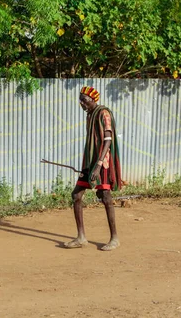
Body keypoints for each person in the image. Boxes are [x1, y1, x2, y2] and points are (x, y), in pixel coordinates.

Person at [64, 86, 123, 251]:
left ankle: (114, 238)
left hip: (101, 162)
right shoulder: (90, 115)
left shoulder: (104, 113)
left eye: (84, 100)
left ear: (93, 99)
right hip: (90, 162)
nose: (81, 103)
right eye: (80, 100)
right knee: (76, 195)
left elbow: (108, 140)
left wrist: (98, 165)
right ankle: (81, 237)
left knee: (105, 196)